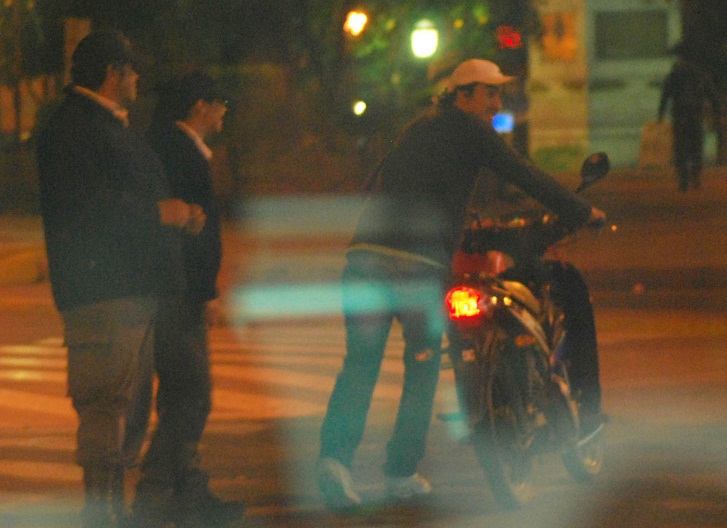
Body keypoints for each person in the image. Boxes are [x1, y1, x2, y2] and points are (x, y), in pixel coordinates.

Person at [316, 58, 606, 509]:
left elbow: (403, 186)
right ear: (463, 95)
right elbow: (522, 172)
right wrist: (581, 211)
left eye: (499, 94)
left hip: (365, 258)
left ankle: (334, 463)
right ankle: (399, 472)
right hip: (415, 266)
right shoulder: (469, 130)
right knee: (422, 366)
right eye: (490, 94)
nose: (496, 104)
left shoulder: (417, 128)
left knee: (360, 366)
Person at [35, 31, 205, 528]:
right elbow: (87, 208)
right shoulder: (74, 128)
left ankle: (111, 507)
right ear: (113, 73)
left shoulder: (105, 124)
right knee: (105, 405)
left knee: (125, 406)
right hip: (102, 291)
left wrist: (177, 216)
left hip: (129, 289)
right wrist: (160, 214)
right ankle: (101, 513)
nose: (138, 79)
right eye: (131, 70)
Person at [129, 71, 244, 528]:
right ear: (200, 106)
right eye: (220, 104)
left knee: (181, 394)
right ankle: (157, 495)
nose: (224, 112)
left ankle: (186, 492)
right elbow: (196, 231)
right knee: (192, 393)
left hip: (167, 287)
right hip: (177, 290)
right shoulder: (182, 153)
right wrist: (204, 292)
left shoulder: (161, 146)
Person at [658, 56, 718, 191]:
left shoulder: (674, 75)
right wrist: (716, 112)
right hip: (696, 115)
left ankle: (683, 179)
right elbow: (712, 95)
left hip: (680, 115)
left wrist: (661, 115)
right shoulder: (700, 75)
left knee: (681, 147)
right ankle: (695, 178)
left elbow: (665, 96)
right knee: (696, 147)